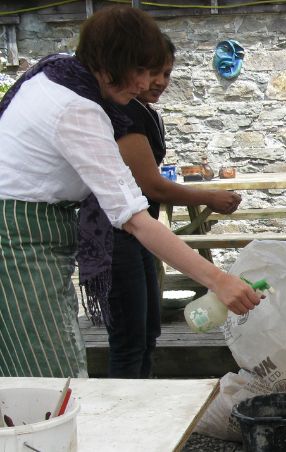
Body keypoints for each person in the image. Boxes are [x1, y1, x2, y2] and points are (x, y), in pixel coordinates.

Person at [0, 6, 260, 379]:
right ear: (108, 64)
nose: (144, 83)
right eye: (138, 71)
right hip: (18, 243)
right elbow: (136, 220)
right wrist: (219, 280)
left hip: (30, 232)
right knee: (53, 382)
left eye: (153, 71)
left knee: (25, 379)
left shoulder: (60, 70)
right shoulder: (78, 109)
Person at [105, 34, 243, 378]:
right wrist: (210, 197)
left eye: (166, 73)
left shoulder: (144, 112)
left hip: (138, 236)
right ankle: (126, 416)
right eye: (151, 72)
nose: (159, 82)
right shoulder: (125, 114)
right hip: (118, 238)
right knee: (130, 340)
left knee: (147, 332)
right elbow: (151, 185)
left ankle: (143, 402)